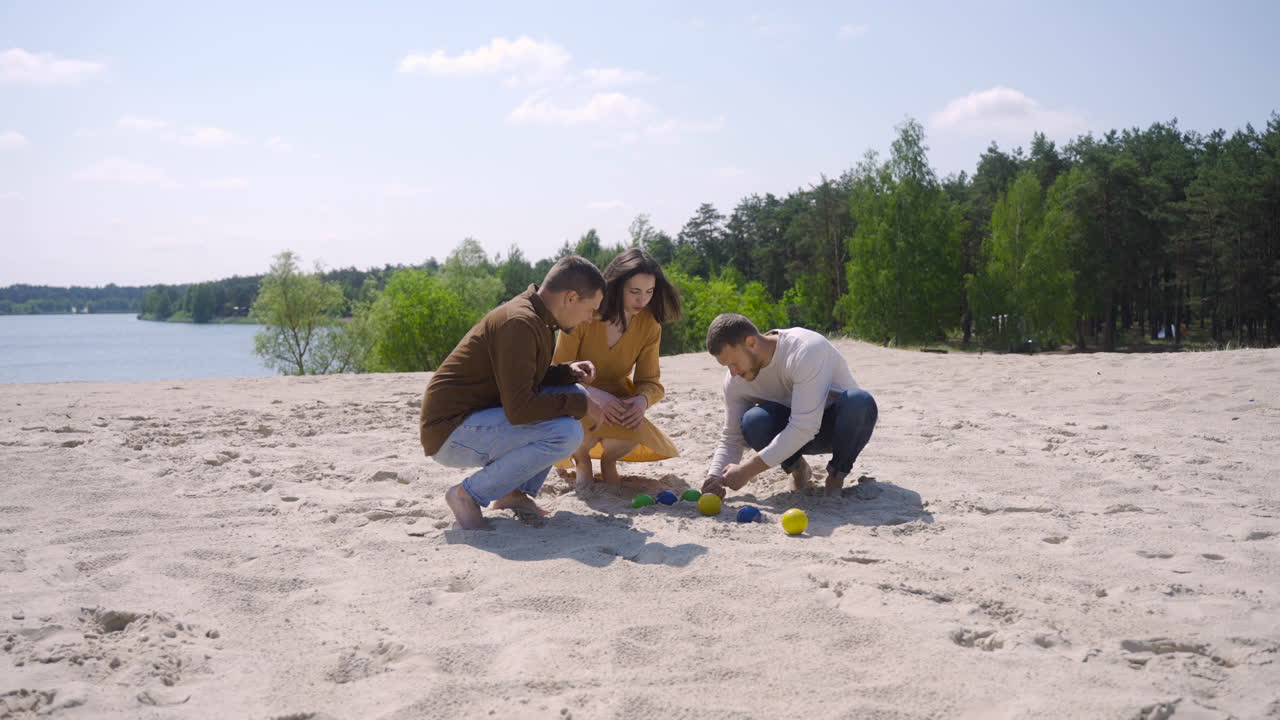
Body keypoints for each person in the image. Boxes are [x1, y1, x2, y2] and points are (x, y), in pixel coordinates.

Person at [419, 255, 607, 530]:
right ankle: (466, 495)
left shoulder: (538, 318)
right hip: (450, 432)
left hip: (477, 420)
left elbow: (527, 379)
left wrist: (567, 372)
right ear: (571, 297)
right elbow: (520, 409)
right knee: (566, 432)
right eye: (590, 309)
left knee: (571, 391)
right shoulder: (519, 322)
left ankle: (512, 494)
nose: (590, 318)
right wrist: (581, 404)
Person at [699, 313, 877, 499]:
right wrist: (715, 476)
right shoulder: (736, 380)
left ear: (751, 343)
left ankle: (835, 477)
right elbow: (732, 436)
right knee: (754, 421)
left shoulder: (805, 349)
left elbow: (804, 427)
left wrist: (747, 471)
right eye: (727, 366)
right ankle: (798, 469)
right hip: (792, 434)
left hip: (841, 430)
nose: (733, 373)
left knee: (859, 401)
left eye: (734, 363)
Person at [552, 249, 682, 492]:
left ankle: (609, 462)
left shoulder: (650, 325)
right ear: (615, 286)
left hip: (619, 401)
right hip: (574, 396)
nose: (642, 300)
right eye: (634, 292)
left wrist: (642, 401)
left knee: (631, 426)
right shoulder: (584, 313)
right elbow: (557, 373)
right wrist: (593, 394)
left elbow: (650, 381)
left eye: (649, 292)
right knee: (581, 430)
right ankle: (582, 461)